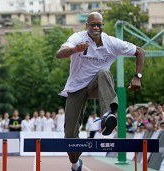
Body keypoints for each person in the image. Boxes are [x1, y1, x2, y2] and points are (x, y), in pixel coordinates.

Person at [55, 11, 144, 171]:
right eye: (92, 24)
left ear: (102, 26)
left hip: (97, 86)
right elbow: (59, 54)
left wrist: (137, 76)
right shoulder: (78, 38)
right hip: (77, 88)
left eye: (99, 24)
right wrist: (74, 49)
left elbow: (140, 51)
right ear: (86, 25)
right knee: (69, 135)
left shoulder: (111, 42)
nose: (96, 27)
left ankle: (107, 115)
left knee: (104, 73)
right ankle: (75, 163)